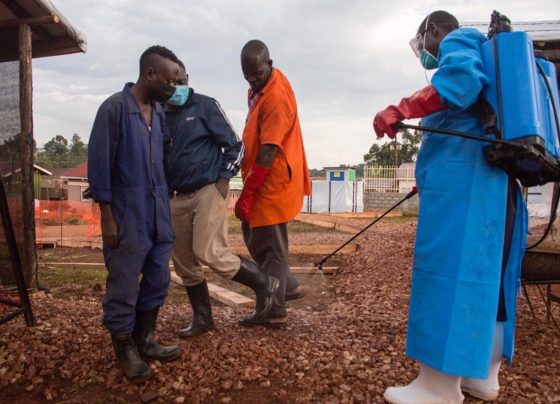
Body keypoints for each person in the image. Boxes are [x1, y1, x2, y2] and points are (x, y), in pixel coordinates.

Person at [373, 11, 527, 403]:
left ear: (434, 30)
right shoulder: (488, 54)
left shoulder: (459, 40)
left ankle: (437, 387)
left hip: (466, 186)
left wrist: (402, 108)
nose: (422, 52)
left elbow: (461, 82)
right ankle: (482, 377)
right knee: (491, 283)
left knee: (448, 274)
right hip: (496, 187)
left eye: (420, 43)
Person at [88, 46, 182, 383]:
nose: (173, 87)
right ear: (150, 74)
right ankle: (124, 345)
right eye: (170, 80)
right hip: (127, 213)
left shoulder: (158, 112)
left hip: (158, 212)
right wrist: (106, 216)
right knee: (124, 283)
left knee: (158, 279)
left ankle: (146, 337)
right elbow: (99, 164)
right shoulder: (113, 109)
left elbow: (163, 157)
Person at [164, 60, 279, 338]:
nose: (176, 87)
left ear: (188, 78)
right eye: (171, 83)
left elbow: (235, 146)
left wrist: (224, 179)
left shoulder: (205, 106)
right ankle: (203, 318)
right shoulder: (161, 112)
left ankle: (265, 283)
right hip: (175, 196)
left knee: (210, 251)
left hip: (207, 190)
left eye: (180, 81)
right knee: (183, 261)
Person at [236, 40, 311, 329]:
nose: (253, 80)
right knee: (258, 237)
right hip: (266, 178)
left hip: (271, 180)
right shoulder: (263, 87)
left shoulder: (275, 97)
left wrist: (248, 192)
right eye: (247, 75)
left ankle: (274, 310)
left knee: (270, 249)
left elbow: (268, 151)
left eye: (257, 73)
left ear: (269, 63)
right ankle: (288, 286)